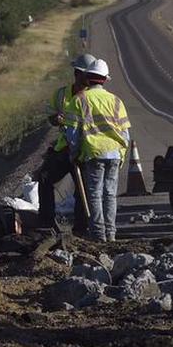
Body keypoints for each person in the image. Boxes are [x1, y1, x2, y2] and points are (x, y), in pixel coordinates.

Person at [69, 58, 131, 242]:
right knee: (110, 194)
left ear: (88, 78)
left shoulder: (79, 100)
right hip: (114, 153)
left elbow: (72, 134)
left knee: (95, 194)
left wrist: (74, 154)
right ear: (105, 79)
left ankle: (98, 234)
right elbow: (125, 134)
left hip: (93, 152)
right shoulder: (116, 101)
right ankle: (111, 233)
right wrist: (121, 155)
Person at [36, 53, 94, 235]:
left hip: (84, 150)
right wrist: (56, 119)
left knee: (83, 191)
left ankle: (81, 229)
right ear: (77, 73)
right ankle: (47, 223)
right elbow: (51, 116)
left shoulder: (93, 96)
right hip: (64, 148)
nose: (91, 78)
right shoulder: (61, 94)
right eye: (88, 74)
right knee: (44, 178)